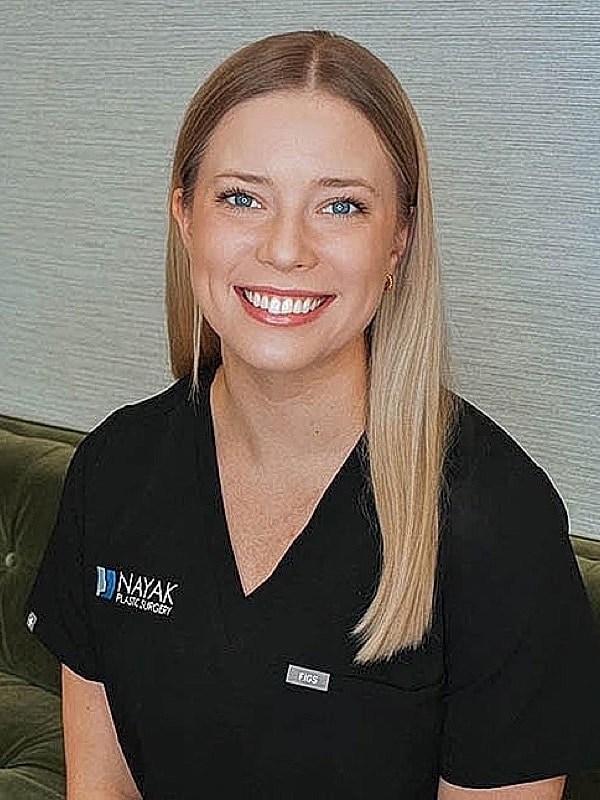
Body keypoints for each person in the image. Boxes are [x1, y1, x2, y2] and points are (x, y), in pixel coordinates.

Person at [25, 29, 600, 800]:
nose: (287, 249)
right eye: (242, 197)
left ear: (398, 241)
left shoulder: (496, 520)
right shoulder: (113, 469)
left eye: (340, 205)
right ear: (185, 215)